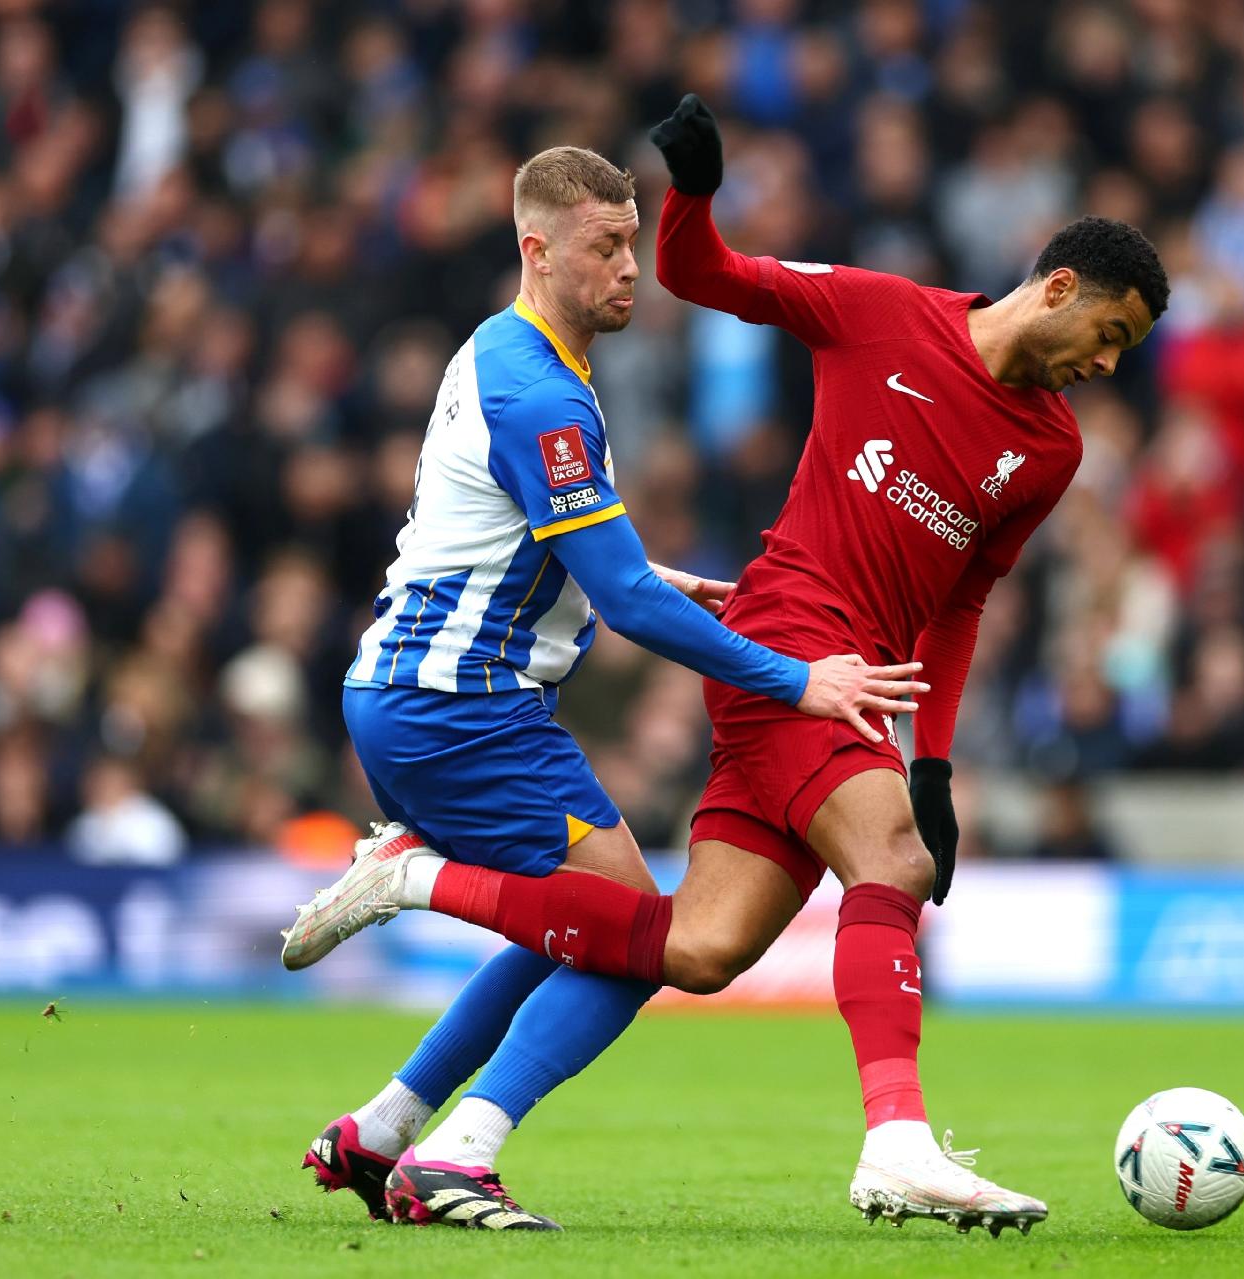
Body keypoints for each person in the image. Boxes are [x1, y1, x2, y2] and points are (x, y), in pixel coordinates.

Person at [289, 95, 1168, 1235]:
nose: (1109, 361)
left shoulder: (1050, 449)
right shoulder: (875, 312)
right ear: (1058, 288)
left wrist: (936, 767)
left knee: (683, 945)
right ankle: (895, 1140)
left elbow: (965, 602)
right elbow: (707, 273)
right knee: (885, 864)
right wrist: (695, 192)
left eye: (1126, 352)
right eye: (1112, 333)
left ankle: (422, 1127)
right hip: (785, 649)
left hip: (831, 675)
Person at [279, 144, 926, 1231]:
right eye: (604, 246)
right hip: (461, 707)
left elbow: (518, 540)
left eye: (632, 240)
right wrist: (798, 680)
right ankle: (455, 1137)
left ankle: (381, 1130)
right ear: (538, 249)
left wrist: (649, 573)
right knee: (634, 931)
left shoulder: (507, 350)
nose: (631, 266)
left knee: (573, 927)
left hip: (410, 692)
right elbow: (620, 603)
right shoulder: (544, 396)